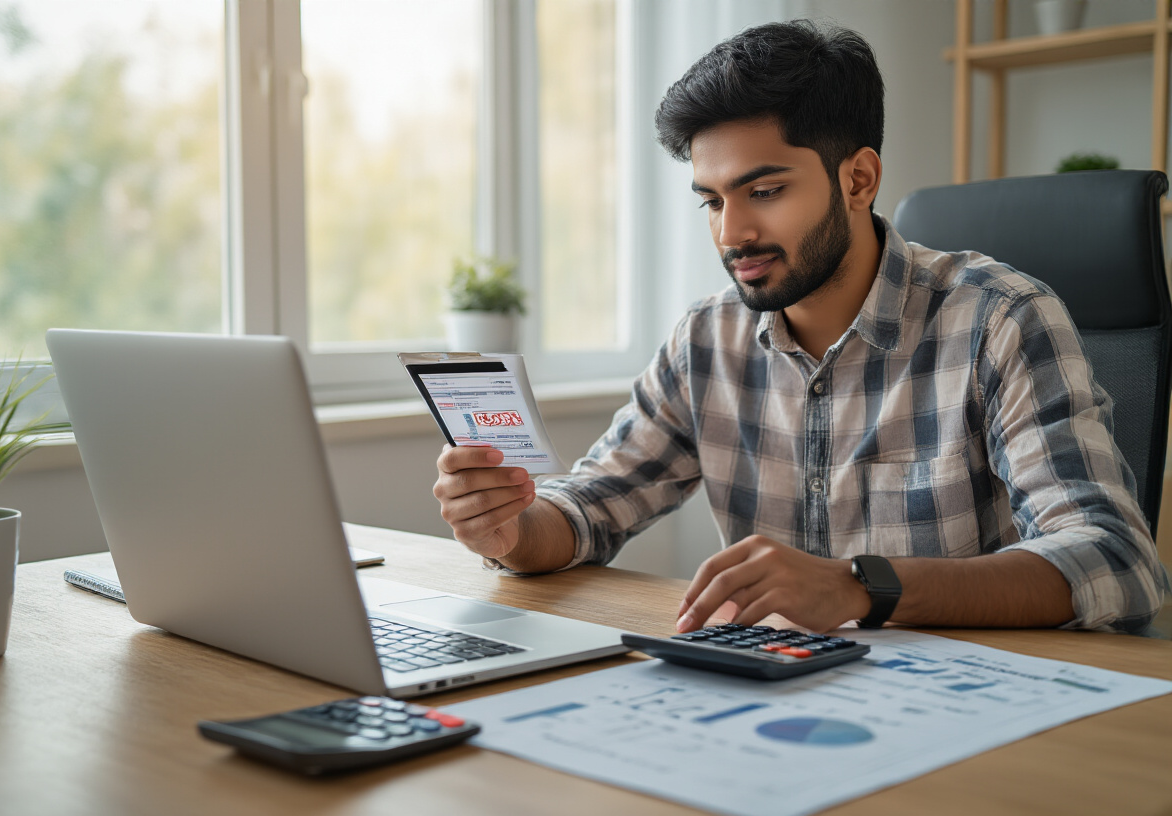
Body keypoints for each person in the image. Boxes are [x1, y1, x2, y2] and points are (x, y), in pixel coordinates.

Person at [432, 20, 1168, 635]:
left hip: (978, 710)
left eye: (765, 190)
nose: (732, 232)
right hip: (780, 702)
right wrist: (513, 531)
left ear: (858, 179)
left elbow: (1115, 559)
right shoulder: (705, 340)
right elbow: (591, 506)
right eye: (712, 201)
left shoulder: (999, 318)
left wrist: (859, 586)